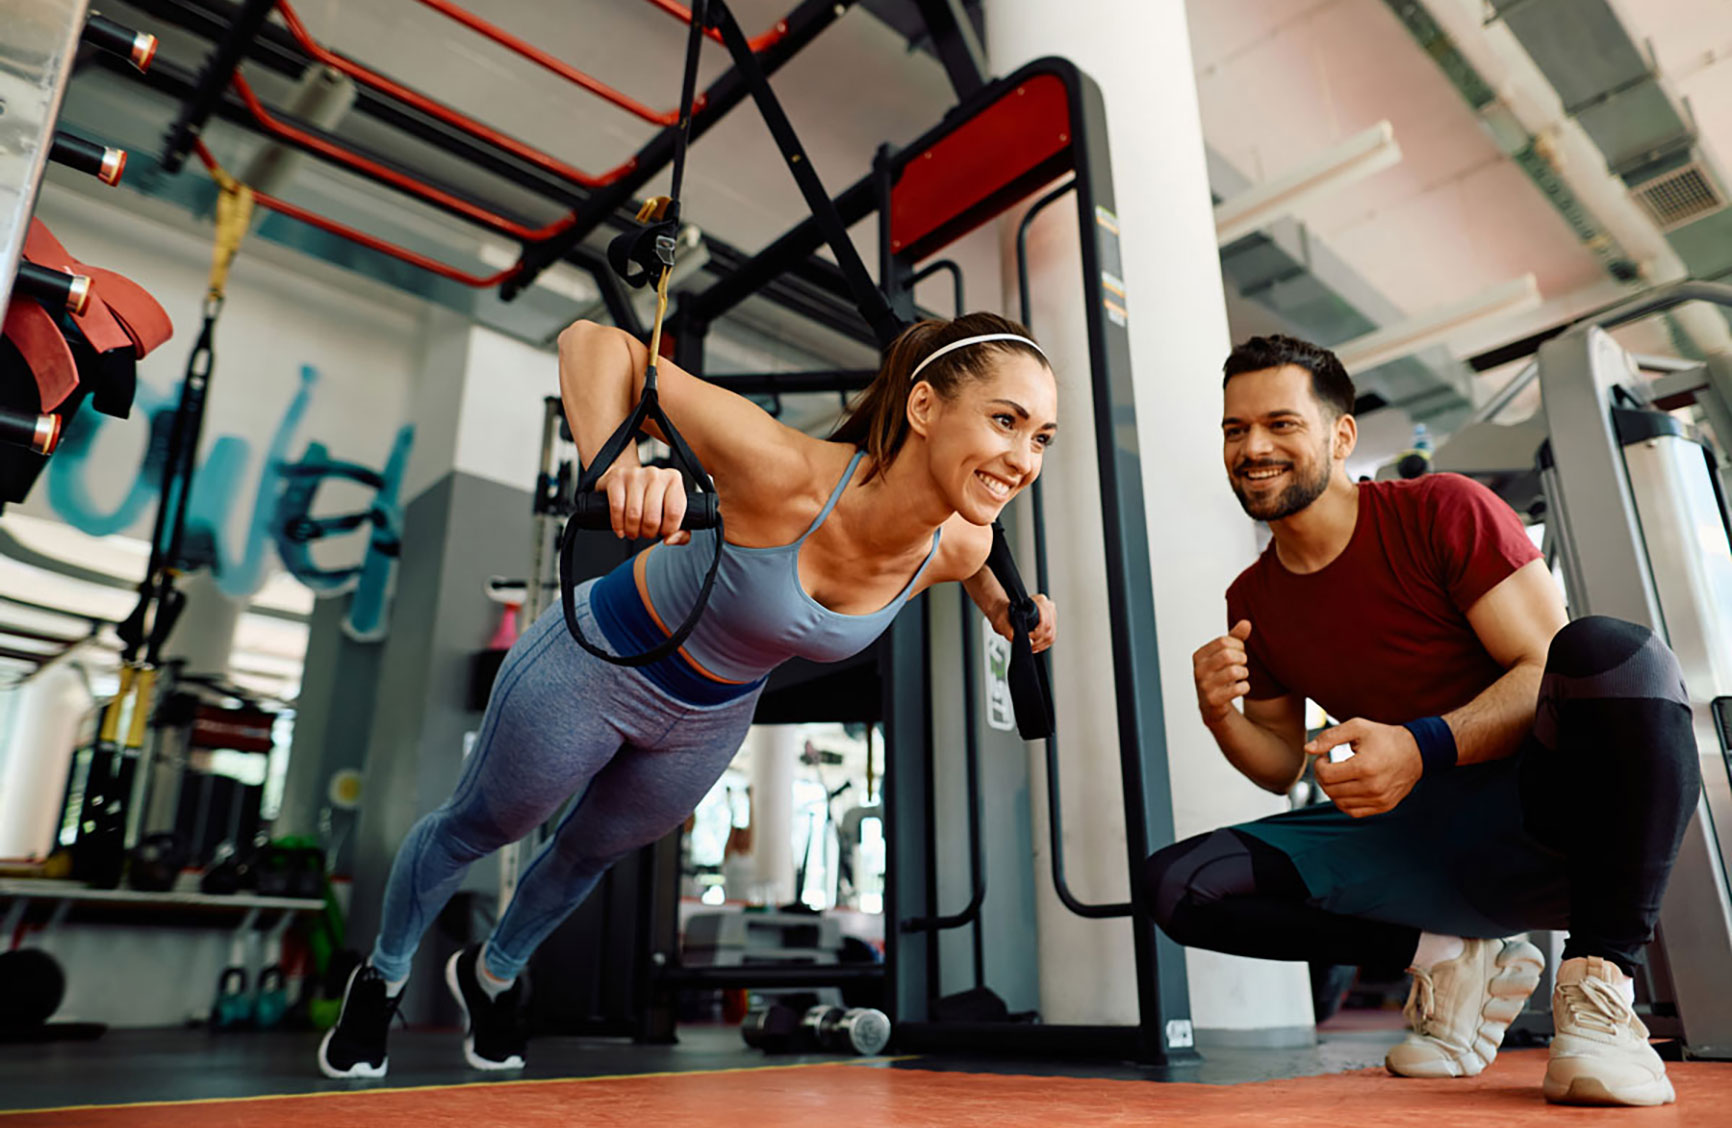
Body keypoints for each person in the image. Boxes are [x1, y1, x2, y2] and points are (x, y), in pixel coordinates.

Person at [318, 311, 1059, 1078]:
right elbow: (592, 342)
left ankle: (493, 973)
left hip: (711, 715)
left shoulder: (963, 541)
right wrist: (619, 467)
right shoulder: (781, 468)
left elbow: (977, 566)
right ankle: (383, 975)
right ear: (925, 407)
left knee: (585, 855)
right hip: (598, 660)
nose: (1024, 457)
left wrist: (1006, 607)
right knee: (483, 825)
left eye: (1041, 437)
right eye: (1005, 420)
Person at [1143, 334, 1699, 1108]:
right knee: (1178, 887)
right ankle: (1447, 957)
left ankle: (1602, 987)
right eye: (1235, 429)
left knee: (1616, 650)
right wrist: (1217, 715)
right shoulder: (1253, 598)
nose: (1253, 446)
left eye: (1280, 423)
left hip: (1540, 815)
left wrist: (1419, 746)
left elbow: (1547, 669)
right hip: (1424, 840)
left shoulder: (1440, 509)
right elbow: (1278, 763)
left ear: (1341, 436)